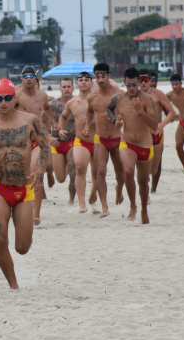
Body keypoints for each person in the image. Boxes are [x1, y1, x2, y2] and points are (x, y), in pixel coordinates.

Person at [0, 79, 49, 289]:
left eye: (8, 98)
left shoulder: (30, 121)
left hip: (24, 189)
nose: (4, 102)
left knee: (22, 248)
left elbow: (44, 147)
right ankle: (13, 285)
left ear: (14, 99)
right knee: (0, 239)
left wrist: (41, 170)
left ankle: (17, 267)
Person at [108, 69, 159, 222]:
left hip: (145, 145)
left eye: (134, 84)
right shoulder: (118, 98)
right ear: (124, 83)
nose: (131, 88)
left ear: (138, 83)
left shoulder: (147, 99)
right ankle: (133, 206)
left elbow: (154, 125)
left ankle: (144, 209)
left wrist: (140, 111)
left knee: (143, 181)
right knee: (128, 170)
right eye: (128, 85)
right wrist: (114, 120)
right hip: (127, 142)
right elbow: (109, 108)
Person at [14, 66, 57, 225]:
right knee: (21, 177)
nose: (29, 78)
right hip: (21, 140)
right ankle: (20, 208)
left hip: (37, 139)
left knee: (37, 174)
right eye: (25, 76)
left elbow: (46, 109)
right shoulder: (16, 96)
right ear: (21, 78)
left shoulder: (42, 95)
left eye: (31, 75)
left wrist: (54, 122)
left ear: (35, 78)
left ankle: (36, 214)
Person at [87, 64, 125, 216]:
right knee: (100, 171)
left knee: (120, 173)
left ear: (109, 76)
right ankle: (104, 207)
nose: (100, 79)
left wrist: (121, 121)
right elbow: (89, 112)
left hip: (117, 138)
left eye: (103, 76)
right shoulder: (92, 97)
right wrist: (86, 126)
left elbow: (127, 113)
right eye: (97, 77)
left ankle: (119, 189)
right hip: (100, 138)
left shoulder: (119, 94)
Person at [59, 72, 98, 213]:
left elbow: (107, 118)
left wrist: (91, 121)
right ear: (77, 83)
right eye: (80, 80)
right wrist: (61, 129)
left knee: (98, 173)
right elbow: (63, 117)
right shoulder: (72, 103)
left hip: (98, 141)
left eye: (86, 80)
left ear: (91, 82)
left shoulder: (97, 99)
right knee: (80, 169)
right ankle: (82, 204)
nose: (83, 82)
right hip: (81, 141)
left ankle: (94, 190)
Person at [137, 70, 178, 194]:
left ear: (150, 81)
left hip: (156, 132)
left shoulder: (158, 94)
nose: (143, 83)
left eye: (146, 80)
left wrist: (161, 125)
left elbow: (171, 112)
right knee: (141, 162)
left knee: (156, 165)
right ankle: (145, 188)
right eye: (140, 80)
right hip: (140, 134)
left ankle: (153, 188)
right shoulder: (133, 95)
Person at [48, 78, 78, 203]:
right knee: (60, 178)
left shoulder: (78, 103)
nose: (66, 89)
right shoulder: (53, 105)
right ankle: (62, 164)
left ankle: (71, 199)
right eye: (64, 87)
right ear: (60, 89)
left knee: (73, 173)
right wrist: (48, 136)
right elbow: (40, 122)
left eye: (68, 86)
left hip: (73, 141)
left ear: (73, 88)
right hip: (57, 143)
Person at [166, 73, 184, 172]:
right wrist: (172, 116)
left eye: (176, 84)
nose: (174, 87)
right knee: (178, 146)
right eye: (172, 84)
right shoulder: (169, 95)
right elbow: (163, 107)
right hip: (182, 121)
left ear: (181, 83)